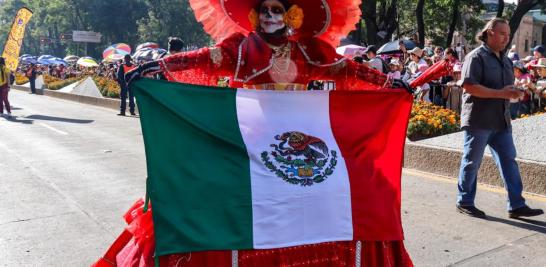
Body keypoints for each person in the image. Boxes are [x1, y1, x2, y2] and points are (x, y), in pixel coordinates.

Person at [96, 0, 414, 266]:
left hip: (301, 137)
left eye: (277, 10)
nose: (270, 16)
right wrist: (161, 68)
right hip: (246, 140)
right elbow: (203, 60)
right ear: (255, 15)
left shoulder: (310, 51)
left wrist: (388, 84)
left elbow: (349, 70)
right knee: (201, 188)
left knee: (365, 183)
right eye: (264, 10)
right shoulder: (242, 48)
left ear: (291, 15)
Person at [456, 18, 544, 219]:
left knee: (509, 161)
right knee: (471, 162)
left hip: (501, 121)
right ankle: (465, 201)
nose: (506, 37)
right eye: (502, 33)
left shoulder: (505, 60)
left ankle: (516, 204)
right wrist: (502, 94)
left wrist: (515, 91)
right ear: (489, 33)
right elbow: (469, 86)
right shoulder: (475, 57)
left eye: (508, 33)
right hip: (478, 120)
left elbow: (503, 89)